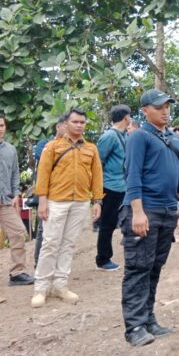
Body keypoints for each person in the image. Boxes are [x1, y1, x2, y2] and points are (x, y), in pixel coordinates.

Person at [121, 89, 179, 347]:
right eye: (159, 106)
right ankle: (135, 326)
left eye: (167, 106)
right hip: (144, 209)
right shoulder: (139, 137)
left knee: (154, 266)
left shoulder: (172, 138)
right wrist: (137, 213)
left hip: (166, 211)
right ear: (145, 110)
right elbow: (133, 176)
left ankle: (149, 319)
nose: (165, 111)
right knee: (138, 267)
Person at [32, 108, 103, 308]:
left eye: (82, 122)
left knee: (68, 244)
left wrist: (97, 201)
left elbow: (97, 176)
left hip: (80, 202)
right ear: (66, 124)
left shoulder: (91, 149)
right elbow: (43, 175)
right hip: (56, 201)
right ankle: (41, 288)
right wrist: (43, 201)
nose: (79, 125)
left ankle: (60, 285)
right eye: (75, 122)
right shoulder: (52, 147)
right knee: (50, 243)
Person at [0, 116, 35, 288]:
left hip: (5, 201)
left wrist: (15, 194)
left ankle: (17, 273)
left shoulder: (10, 150)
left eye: (1, 125)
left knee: (18, 233)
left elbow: (15, 173)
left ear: (5, 127)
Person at [95, 104, 131, 271]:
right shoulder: (109, 136)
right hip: (110, 187)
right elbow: (97, 163)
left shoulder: (123, 135)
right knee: (107, 224)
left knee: (126, 220)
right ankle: (103, 259)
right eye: (129, 117)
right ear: (126, 118)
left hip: (123, 186)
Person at [31, 115, 68, 265]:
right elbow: (45, 163)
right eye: (65, 126)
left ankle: (55, 262)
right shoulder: (44, 144)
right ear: (58, 127)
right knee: (43, 229)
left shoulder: (72, 145)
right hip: (47, 192)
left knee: (62, 230)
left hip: (63, 192)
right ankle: (38, 261)